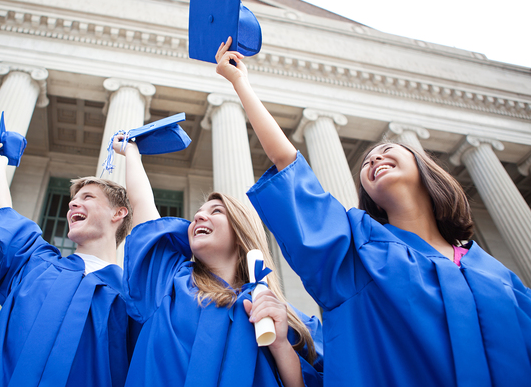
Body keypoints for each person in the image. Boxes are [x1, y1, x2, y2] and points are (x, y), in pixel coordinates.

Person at [215, 36, 531, 387]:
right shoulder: (358, 251)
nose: (375, 158)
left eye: (387, 150)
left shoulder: (499, 276)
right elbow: (287, 163)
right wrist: (241, 83)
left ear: (426, 169)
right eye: (367, 162)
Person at [112, 136, 323, 387]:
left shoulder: (281, 316)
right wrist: (131, 153)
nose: (199, 216)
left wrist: (280, 345)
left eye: (216, 212)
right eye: (197, 214)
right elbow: (143, 204)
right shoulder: (168, 281)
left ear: (240, 234)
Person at [0, 143, 136, 387]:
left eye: (88, 197)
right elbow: (0, 211)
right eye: (72, 200)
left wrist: (132, 155)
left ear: (118, 213)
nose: (72, 204)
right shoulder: (36, 263)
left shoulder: (131, 299)